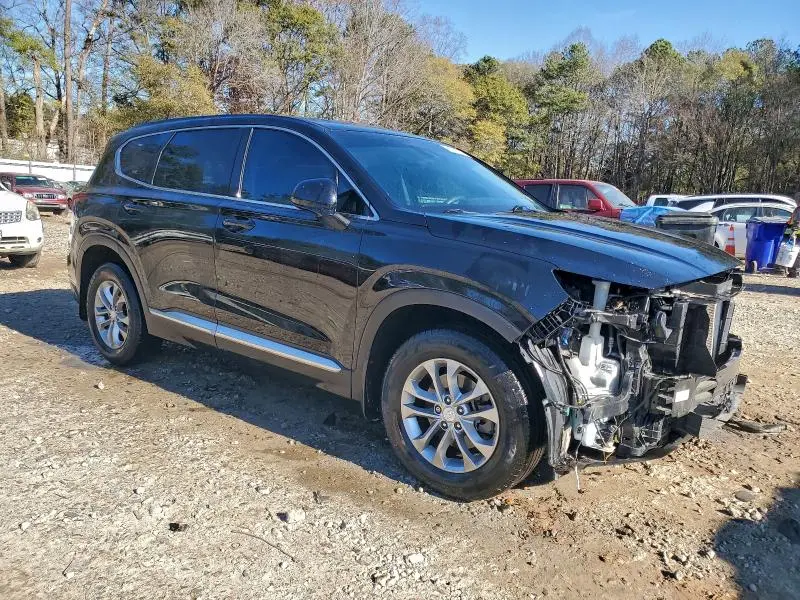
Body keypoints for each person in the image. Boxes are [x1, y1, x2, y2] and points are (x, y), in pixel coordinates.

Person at [779, 196, 800, 278]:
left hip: (797, 234)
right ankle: (793, 272)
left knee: (796, 253)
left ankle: (795, 272)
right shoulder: (797, 210)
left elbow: (796, 224)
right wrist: (787, 233)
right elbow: (791, 222)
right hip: (796, 233)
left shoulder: (798, 210)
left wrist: (790, 233)